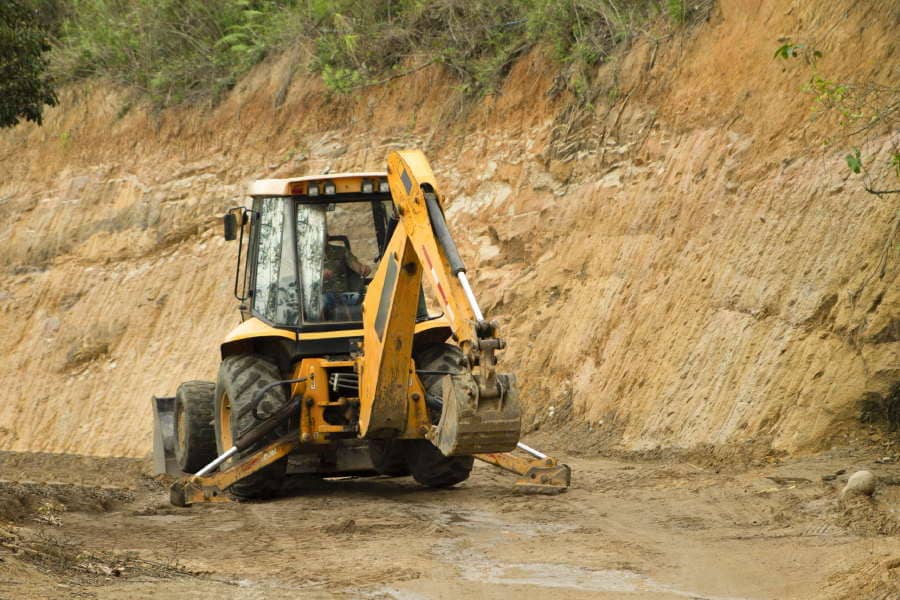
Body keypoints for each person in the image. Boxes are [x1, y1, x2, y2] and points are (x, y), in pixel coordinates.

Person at [322, 241, 371, 319]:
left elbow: (355, 265)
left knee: (369, 301)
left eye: (323, 234)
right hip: (321, 297)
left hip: (344, 296)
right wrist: (317, 275)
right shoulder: (305, 256)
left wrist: (362, 269)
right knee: (322, 302)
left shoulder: (341, 251)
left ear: (327, 237)